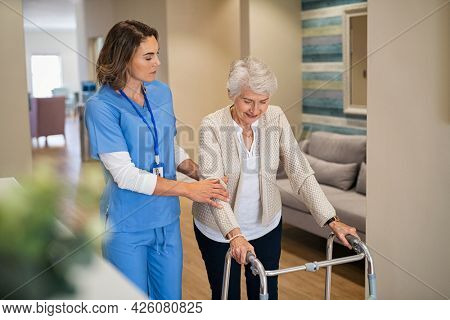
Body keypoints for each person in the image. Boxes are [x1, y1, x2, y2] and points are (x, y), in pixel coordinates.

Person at [192, 57, 359, 300]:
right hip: (219, 230)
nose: (256, 110)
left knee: (267, 295)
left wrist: (332, 219)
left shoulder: (276, 117)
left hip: (265, 225)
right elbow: (215, 189)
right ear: (231, 94)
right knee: (226, 297)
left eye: (263, 101)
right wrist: (235, 235)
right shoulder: (212, 126)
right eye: (247, 101)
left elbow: (299, 170)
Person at [85, 20, 228, 300]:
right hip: (126, 226)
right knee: (134, 303)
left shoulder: (161, 92)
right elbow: (125, 174)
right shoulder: (100, 107)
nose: (157, 62)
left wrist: (198, 174)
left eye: (157, 54)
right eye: (148, 56)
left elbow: (167, 145)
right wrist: (190, 190)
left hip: (166, 220)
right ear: (123, 57)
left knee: (170, 301)